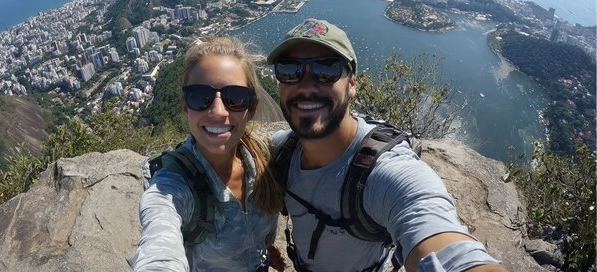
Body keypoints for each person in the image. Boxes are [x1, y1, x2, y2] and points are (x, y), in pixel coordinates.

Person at [267, 18, 508, 272]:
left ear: (351, 84)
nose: (305, 85)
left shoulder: (383, 173)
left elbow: (434, 228)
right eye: (289, 70)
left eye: (325, 70)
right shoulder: (282, 150)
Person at [132, 37, 285, 271]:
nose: (217, 111)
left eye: (234, 98)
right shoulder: (172, 185)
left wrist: (261, 247)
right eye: (199, 96)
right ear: (185, 106)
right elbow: (159, 238)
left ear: (251, 108)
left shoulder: (264, 158)